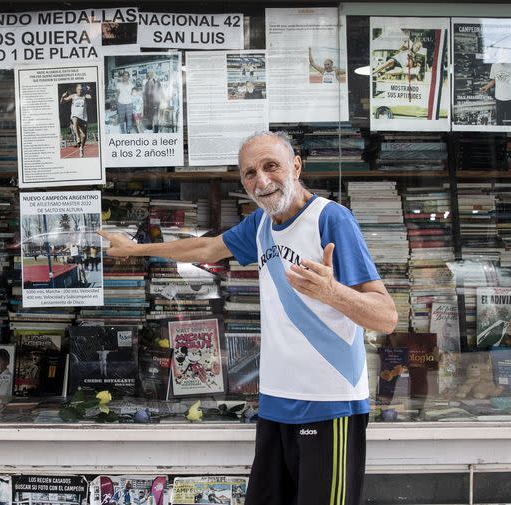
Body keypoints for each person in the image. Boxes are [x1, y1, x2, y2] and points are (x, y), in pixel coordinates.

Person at [98, 131, 398, 505]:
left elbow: (386, 317)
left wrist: (332, 292)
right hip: (275, 404)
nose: (262, 180)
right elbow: (207, 246)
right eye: (250, 173)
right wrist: (136, 249)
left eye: (271, 166)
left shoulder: (331, 219)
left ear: (297, 166)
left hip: (329, 406)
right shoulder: (260, 225)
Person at [60, 83, 93, 157]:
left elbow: (90, 97)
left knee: (84, 136)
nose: (80, 91)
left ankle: (81, 148)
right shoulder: (73, 96)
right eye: (79, 89)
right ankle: (77, 138)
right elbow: (62, 102)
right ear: (76, 89)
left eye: (81, 89)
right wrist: (62, 97)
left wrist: (89, 90)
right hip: (74, 117)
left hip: (83, 118)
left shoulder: (84, 96)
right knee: (75, 119)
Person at [480, 62, 511, 126]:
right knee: (499, 121)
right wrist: (487, 86)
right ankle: (500, 135)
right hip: (499, 98)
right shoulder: (494, 65)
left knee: (509, 121)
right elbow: (494, 80)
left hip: (510, 98)